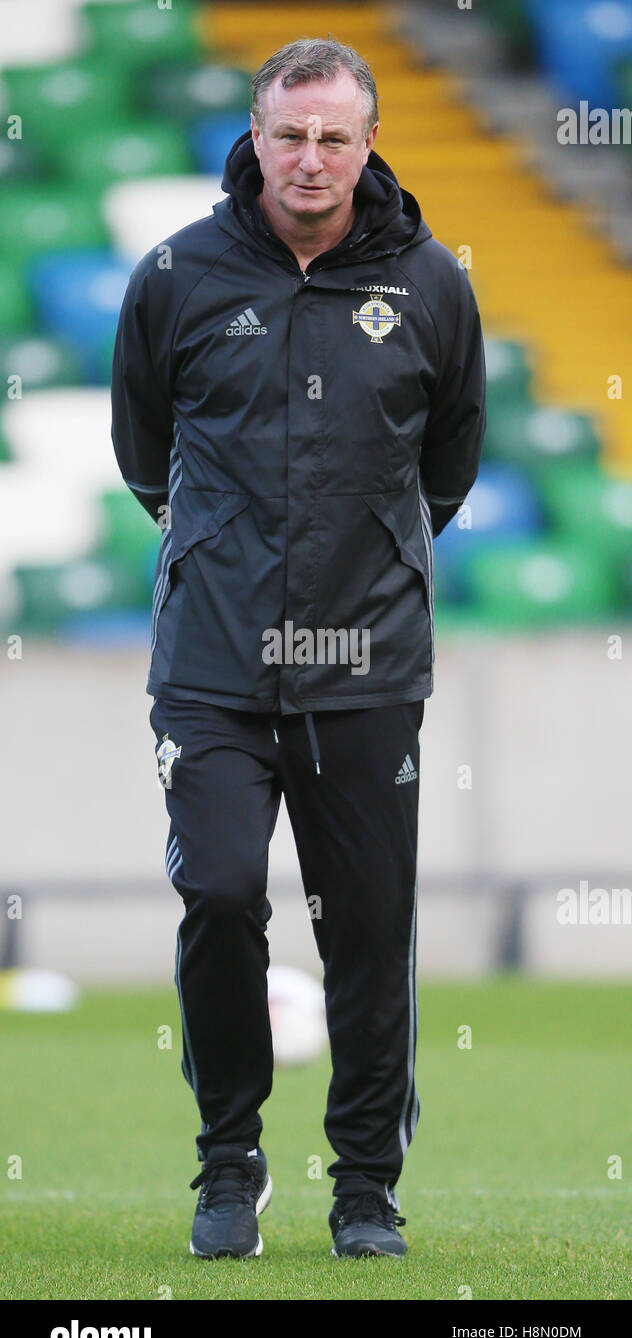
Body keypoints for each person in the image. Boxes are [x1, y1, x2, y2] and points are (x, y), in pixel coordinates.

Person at [110, 36, 486, 1261]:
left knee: (368, 930)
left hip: (365, 668)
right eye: (290, 134)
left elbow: (447, 470)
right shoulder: (175, 275)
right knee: (218, 895)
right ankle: (229, 1163)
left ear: (369, 140)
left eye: (334, 135)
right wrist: (225, 563)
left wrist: (355, 566)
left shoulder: (431, 284)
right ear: (255, 138)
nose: (311, 157)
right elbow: (143, 454)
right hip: (213, 666)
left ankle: (365, 1190)